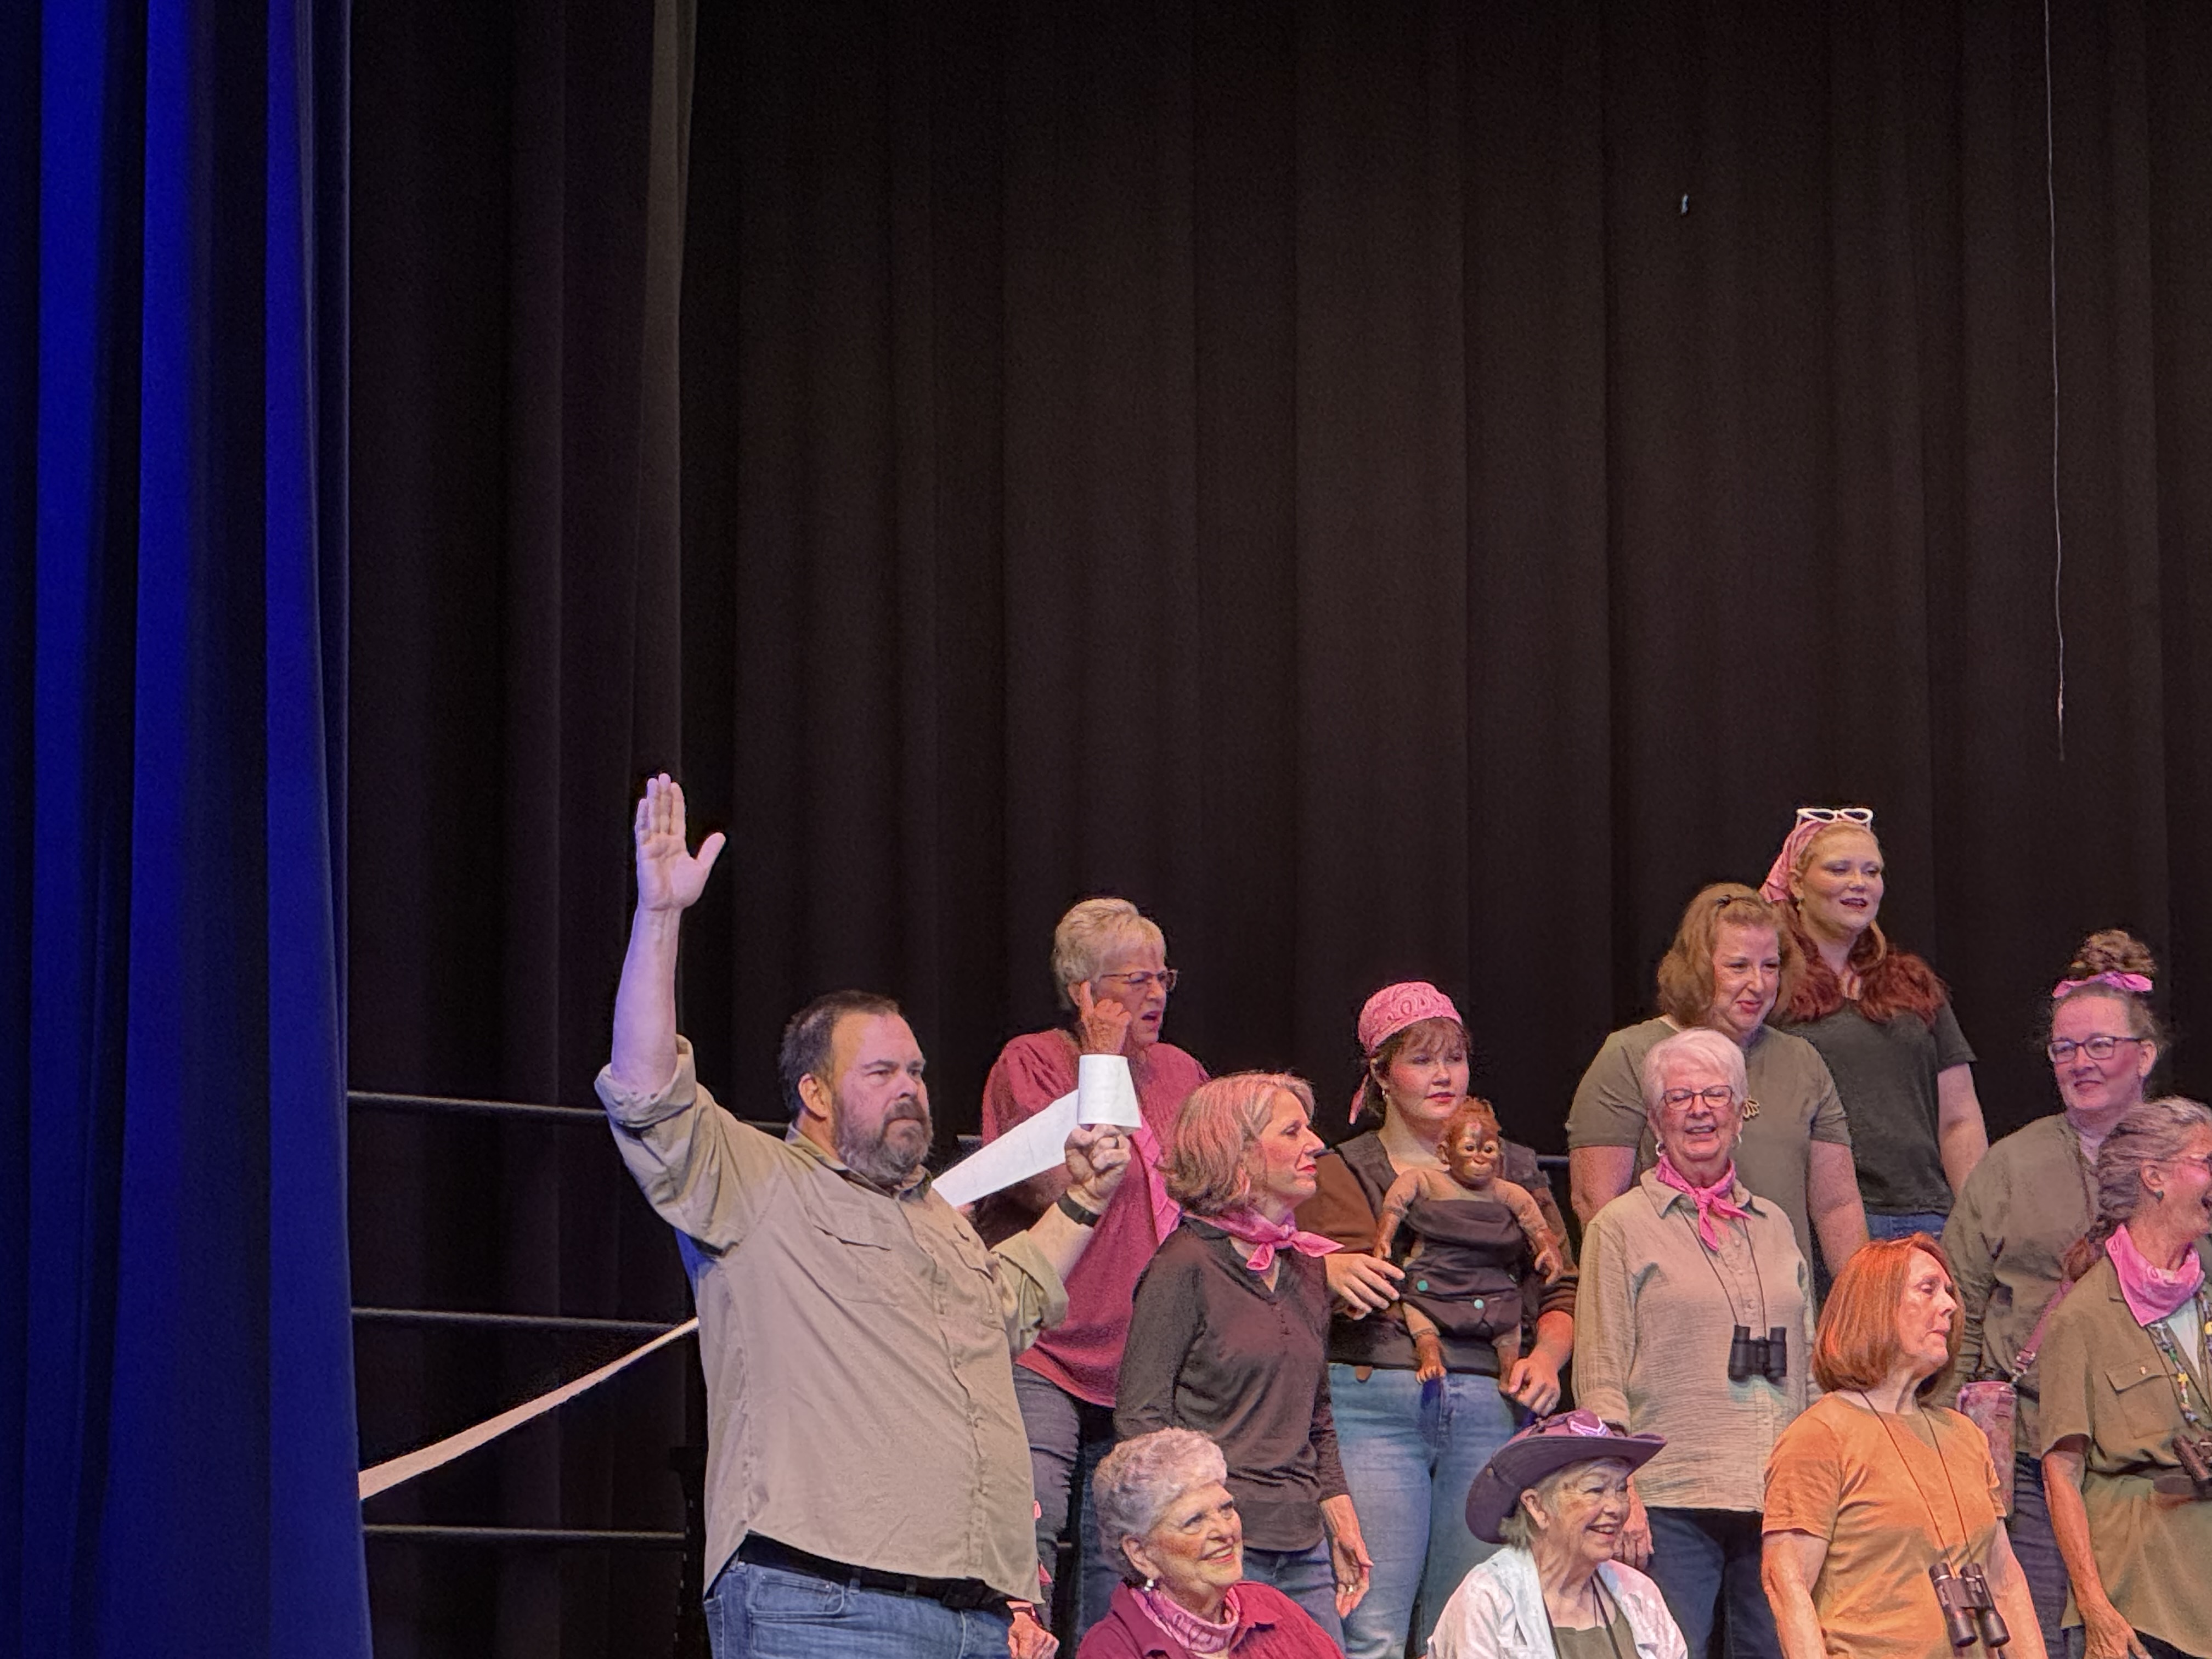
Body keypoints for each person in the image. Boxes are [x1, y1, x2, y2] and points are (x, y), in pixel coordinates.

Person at [597, 776, 1131, 1659]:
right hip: (823, 1607)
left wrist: (1084, 1201)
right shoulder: (757, 1182)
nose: (910, 1088)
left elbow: (1009, 1302)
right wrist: (659, 917)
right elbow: (648, 1091)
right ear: (814, 1093)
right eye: (881, 1073)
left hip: (974, 1619)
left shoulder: (940, 1220)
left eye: (916, 1071)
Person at [1297, 981, 1578, 1659]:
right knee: (1372, 1625)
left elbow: (1561, 1288)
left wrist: (1547, 1359)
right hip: (1376, 1402)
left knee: (1468, 1626)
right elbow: (1277, 1276)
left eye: (1454, 1058)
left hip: (1487, 1402)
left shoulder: (1513, 1168)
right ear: (1381, 1074)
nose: (1444, 1075)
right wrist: (1327, 1273)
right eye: (1422, 1060)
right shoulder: (1338, 1172)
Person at [978, 899, 1209, 1639]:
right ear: (1083, 991)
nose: (1156, 994)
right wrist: (1103, 1065)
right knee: (1031, 1544)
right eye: (1136, 980)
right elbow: (1056, 1183)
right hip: (1048, 1351)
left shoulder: (1180, 1072)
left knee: (1131, 1560)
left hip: (1148, 1361)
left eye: (1163, 977)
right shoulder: (1031, 1062)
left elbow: (1211, 1191)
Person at [1941, 930, 2166, 1654]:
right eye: (2065, 1049)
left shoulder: (2193, 1157)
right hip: (2035, 1455)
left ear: (2145, 1055)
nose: (2080, 1063)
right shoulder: (2011, 1165)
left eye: (2099, 1046)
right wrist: (1948, 1435)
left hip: (2155, 1464)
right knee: (2034, 1635)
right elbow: (1957, 1304)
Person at [1576, 1026, 1813, 1658]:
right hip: (1669, 1501)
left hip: (1777, 1501)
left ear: (1740, 1112)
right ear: (1656, 1120)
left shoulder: (1776, 1225)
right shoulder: (1620, 1227)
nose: (1699, 1110)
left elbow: (1811, 1370)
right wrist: (1618, 1490)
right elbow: (1599, 1375)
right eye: (1679, 1098)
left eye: (1715, 1095)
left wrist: (1819, 1487)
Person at [1118, 1073, 1373, 1646]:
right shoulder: (1184, 1266)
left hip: (1302, 1542)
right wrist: (1193, 1532)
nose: (1316, 1145)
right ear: (1238, 1155)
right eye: (1292, 1131)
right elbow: (1141, 1421)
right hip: (1220, 1548)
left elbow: (1316, 1414)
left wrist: (1340, 1516)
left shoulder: (1304, 1265)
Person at [1568, 883, 1868, 1285]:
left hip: (1781, 1303)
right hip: (1670, 1302)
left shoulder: (1802, 1061)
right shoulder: (1628, 1055)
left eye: (1770, 966)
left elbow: (1838, 1206)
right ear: (1697, 968)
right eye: (1738, 966)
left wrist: (1863, 1304)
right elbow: (1597, 1203)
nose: (1758, 984)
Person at [1762, 1236, 2045, 1659]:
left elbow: (2005, 1581)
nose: (1949, 1305)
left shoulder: (1965, 1436)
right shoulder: (1821, 1435)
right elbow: (1787, 1585)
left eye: (1949, 1292)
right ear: (1876, 1306)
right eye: (1928, 1289)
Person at [2036, 1096, 2212, 1659]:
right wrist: (2094, 1607)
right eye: (2207, 1161)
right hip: (2140, 1596)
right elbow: (2061, 1472)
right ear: (2154, 1177)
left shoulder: (2206, 1294)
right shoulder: (2083, 1317)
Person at [1761, 806, 1988, 1239]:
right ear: (1797, 883)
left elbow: (1959, 1119)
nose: (1859, 883)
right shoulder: (1771, 987)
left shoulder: (1912, 983)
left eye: (1872, 871)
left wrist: (1975, 1224)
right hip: (1823, 1223)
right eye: (1839, 869)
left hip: (1930, 1217)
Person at [1427, 1410, 1686, 1659]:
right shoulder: (1489, 1598)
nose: (1616, 1507)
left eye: (1621, 1490)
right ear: (1537, 1507)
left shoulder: (1638, 1594)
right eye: (1595, 1489)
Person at [1079, 1429, 1345, 1659]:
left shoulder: (1274, 1609)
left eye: (1226, 1509)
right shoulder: (1112, 1649)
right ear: (1141, 1553)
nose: (1224, 1531)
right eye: (1195, 1520)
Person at [1372, 1096, 1567, 1380]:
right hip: (1437, 1276)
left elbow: (1535, 1223)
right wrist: (1384, 1237)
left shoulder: (1505, 1191)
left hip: (1491, 1282)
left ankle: (1509, 1369)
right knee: (1418, 1311)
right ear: (1445, 1153)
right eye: (1469, 1149)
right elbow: (1396, 1204)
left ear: (1499, 1154)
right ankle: (1430, 1353)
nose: (1480, 1158)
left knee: (1508, 1321)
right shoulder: (1429, 1181)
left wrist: (1548, 1248)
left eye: (1488, 1150)